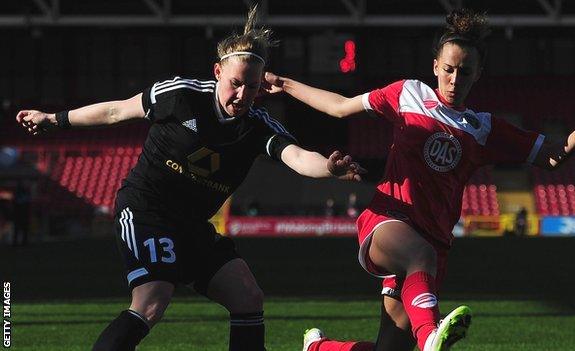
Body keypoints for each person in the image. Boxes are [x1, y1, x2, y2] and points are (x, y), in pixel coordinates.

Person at [15, 6, 365, 351]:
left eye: (253, 87)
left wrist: (329, 168)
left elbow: (300, 158)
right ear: (217, 72)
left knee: (247, 296)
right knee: (152, 300)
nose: (243, 95)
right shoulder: (180, 95)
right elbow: (114, 111)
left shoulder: (257, 126)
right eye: (236, 83)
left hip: (191, 225)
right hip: (147, 210)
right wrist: (53, 119)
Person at [264, 9, 575, 351]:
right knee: (420, 256)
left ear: (477, 75)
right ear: (435, 66)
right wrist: (286, 83)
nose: (454, 79)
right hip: (388, 221)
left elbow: (552, 157)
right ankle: (432, 337)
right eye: (448, 69)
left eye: (465, 72)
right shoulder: (407, 94)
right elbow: (340, 106)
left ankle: (318, 347)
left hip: (434, 243)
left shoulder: (485, 128)